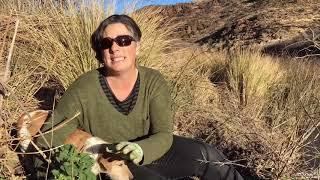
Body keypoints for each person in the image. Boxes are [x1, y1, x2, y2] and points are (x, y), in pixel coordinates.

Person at [33, 14, 244, 180]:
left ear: (137, 46)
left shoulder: (153, 80)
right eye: (106, 43)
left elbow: (163, 134)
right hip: (113, 162)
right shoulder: (84, 87)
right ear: (100, 52)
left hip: (150, 148)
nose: (114, 47)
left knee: (209, 156)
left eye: (123, 40)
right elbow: (48, 138)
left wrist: (140, 149)